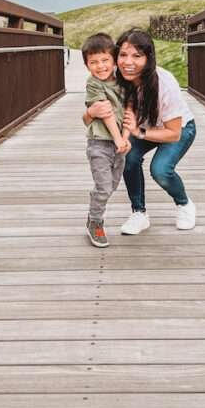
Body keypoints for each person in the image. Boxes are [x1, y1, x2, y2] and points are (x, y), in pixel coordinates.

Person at [85, 27, 196, 234]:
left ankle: (184, 204)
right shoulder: (113, 75)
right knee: (128, 157)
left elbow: (174, 133)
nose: (128, 62)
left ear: (149, 57)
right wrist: (90, 113)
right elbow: (93, 114)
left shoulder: (164, 83)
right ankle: (139, 213)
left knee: (160, 170)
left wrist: (139, 133)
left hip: (176, 129)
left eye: (137, 56)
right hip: (140, 128)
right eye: (123, 55)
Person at [81, 33, 132, 248]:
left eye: (105, 60)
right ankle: (95, 221)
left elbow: (131, 111)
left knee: (111, 186)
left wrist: (126, 139)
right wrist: (119, 138)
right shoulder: (93, 84)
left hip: (120, 144)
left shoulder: (124, 82)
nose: (100, 66)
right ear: (86, 65)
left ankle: (94, 213)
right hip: (100, 143)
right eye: (93, 62)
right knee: (103, 187)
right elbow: (106, 112)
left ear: (114, 60)